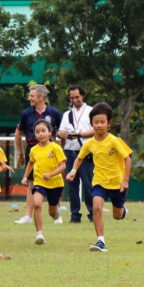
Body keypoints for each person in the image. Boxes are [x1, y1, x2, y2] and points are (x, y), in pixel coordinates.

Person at [66, 102, 132, 253]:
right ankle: (101, 241)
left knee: (117, 215)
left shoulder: (115, 141)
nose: (99, 125)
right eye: (96, 122)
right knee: (96, 207)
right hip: (99, 182)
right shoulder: (90, 143)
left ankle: (123, 210)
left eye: (102, 122)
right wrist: (73, 170)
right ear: (91, 124)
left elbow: (128, 159)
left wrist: (125, 180)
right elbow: (80, 157)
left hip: (117, 183)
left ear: (109, 123)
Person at [14, 84, 62, 225]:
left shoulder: (54, 113)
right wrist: (21, 153)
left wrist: (61, 148)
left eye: (32, 96)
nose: (30, 98)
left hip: (51, 150)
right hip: (32, 149)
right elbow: (18, 132)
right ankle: (28, 216)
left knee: (54, 180)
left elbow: (62, 131)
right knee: (31, 182)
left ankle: (57, 213)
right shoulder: (26, 114)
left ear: (41, 97)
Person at [21, 120, 67, 245]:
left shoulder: (55, 147)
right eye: (37, 132)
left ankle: (56, 215)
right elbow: (31, 163)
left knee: (52, 211)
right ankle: (39, 234)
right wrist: (25, 177)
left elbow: (63, 166)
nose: (40, 134)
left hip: (56, 184)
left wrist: (51, 174)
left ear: (49, 132)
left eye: (43, 131)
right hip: (39, 182)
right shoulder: (34, 150)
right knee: (37, 204)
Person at [56, 85, 94, 223]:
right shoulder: (67, 114)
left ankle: (92, 213)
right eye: (72, 98)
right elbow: (60, 132)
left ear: (83, 96)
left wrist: (80, 134)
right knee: (72, 186)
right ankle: (74, 215)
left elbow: (96, 130)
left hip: (85, 153)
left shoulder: (91, 111)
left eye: (77, 97)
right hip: (69, 152)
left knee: (88, 184)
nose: (74, 100)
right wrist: (61, 134)